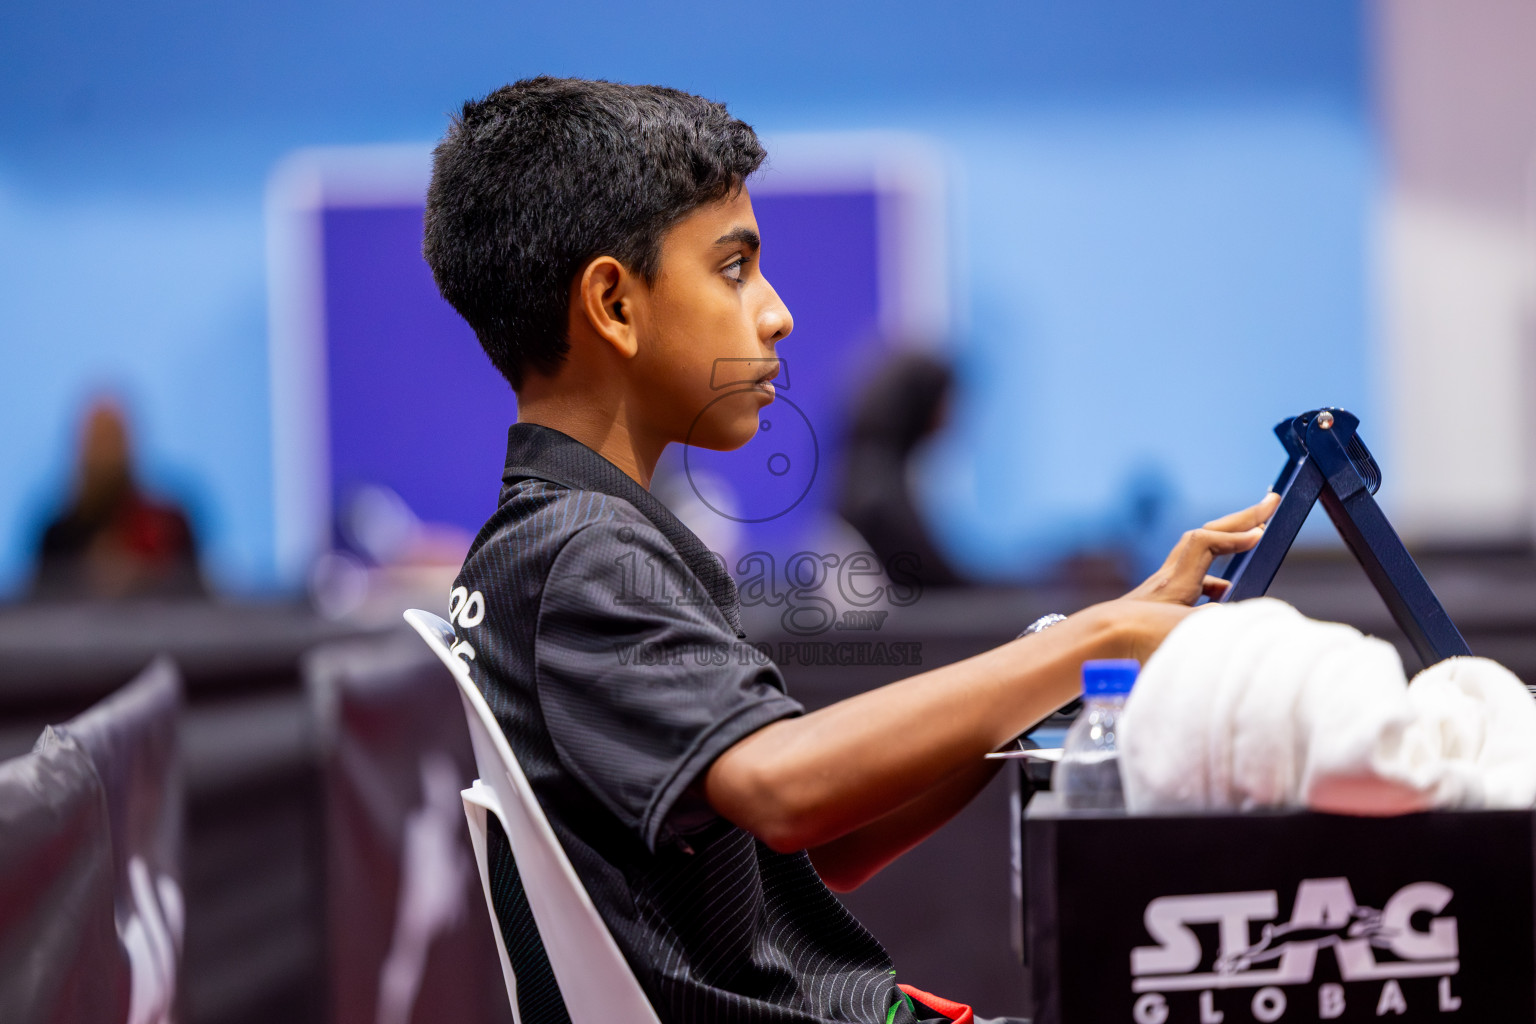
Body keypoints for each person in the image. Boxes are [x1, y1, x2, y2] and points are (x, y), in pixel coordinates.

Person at [423, 77, 1277, 1024]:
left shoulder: (553, 541)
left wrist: (1067, 661)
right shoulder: (583, 551)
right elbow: (783, 787)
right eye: (735, 268)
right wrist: (1096, 641)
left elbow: (824, 848)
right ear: (615, 305)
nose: (777, 313)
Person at [31, 397, 203, 600]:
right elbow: (40, 606)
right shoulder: (58, 536)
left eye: (113, 438)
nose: (106, 452)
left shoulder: (170, 525)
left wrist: (146, 574)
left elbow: (197, 599)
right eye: (98, 440)